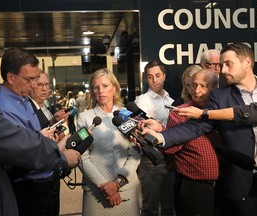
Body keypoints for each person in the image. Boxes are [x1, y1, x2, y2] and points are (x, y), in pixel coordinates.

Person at [140, 43, 257, 215]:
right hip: (245, 187)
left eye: (228, 64)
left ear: (247, 62)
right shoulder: (220, 96)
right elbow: (195, 127)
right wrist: (162, 136)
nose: (222, 71)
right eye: (221, 65)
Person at [0, 47, 66, 216]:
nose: (33, 85)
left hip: (46, 182)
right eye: (29, 80)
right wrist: (62, 156)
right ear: (11, 77)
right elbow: (19, 152)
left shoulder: (24, 97)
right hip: (27, 188)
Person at [0, 109, 81, 216]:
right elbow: (18, 146)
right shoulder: (1, 106)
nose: (44, 90)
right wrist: (62, 157)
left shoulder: (29, 105)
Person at [77, 68, 141, 216]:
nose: (101, 91)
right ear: (92, 91)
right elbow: (82, 156)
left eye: (105, 86)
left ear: (115, 88)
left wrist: (117, 184)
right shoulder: (85, 118)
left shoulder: (128, 115)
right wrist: (104, 186)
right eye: (96, 87)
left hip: (126, 190)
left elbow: (135, 153)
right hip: (96, 192)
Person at [164, 69, 221, 215]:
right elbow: (169, 150)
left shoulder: (223, 112)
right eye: (194, 85)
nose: (196, 90)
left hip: (225, 187)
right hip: (193, 188)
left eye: (203, 86)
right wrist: (161, 134)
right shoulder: (180, 113)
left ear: (216, 88)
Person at [134, 61, 175, 216]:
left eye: (158, 75)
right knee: (150, 206)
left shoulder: (171, 102)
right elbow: (143, 129)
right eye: (150, 77)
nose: (155, 80)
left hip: (170, 156)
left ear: (164, 76)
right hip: (150, 157)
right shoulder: (143, 101)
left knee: (169, 206)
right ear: (146, 79)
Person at [29, 70, 70, 215]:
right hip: (38, 179)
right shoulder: (28, 107)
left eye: (46, 84)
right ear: (30, 84)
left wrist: (54, 121)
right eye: (40, 84)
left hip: (51, 176)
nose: (44, 88)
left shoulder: (44, 106)